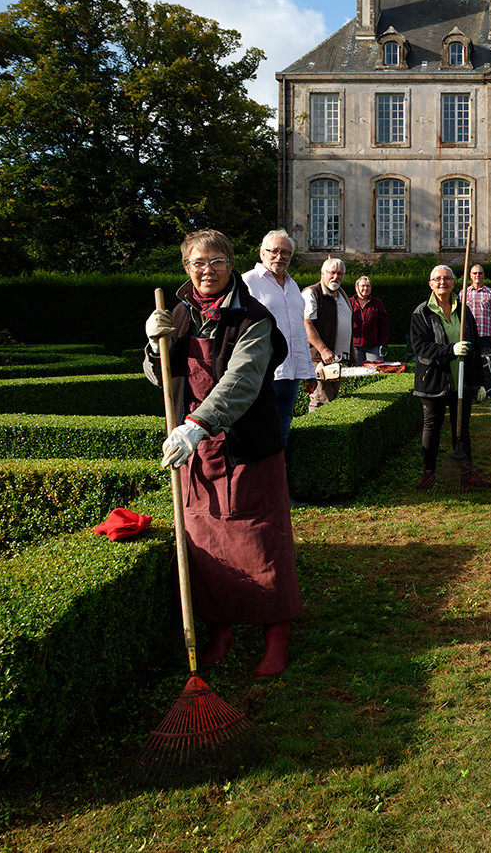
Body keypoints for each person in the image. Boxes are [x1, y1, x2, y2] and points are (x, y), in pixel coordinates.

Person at [144, 229, 300, 679]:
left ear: (232, 266)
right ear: (186, 268)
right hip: (199, 453)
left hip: (248, 446)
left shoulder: (253, 318)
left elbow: (243, 381)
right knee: (205, 542)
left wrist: (196, 426)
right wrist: (153, 350)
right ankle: (221, 631)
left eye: (215, 262)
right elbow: (162, 377)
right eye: (197, 263)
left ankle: (276, 635)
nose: (206, 270)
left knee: (260, 539)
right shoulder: (176, 313)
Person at [408, 265, 490, 489]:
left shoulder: (464, 311)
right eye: (437, 279)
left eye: (447, 278)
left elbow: (473, 351)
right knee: (432, 427)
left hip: (461, 382)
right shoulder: (422, 313)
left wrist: (480, 383)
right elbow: (421, 349)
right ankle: (428, 473)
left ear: (454, 283)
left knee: (462, 428)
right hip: (433, 380)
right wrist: (451, 350)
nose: (442, 282)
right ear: (430, 284)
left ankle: (467, 472)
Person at [241, 229, 314, 442]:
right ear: (262, 253)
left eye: (285, 252)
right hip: (264, 373)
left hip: (290, 374)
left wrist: (308, 370)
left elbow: (299, 332)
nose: (279, 257)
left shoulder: (293, 286)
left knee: (283, 431)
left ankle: (279, 475)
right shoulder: (248, 283)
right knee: (260, 431)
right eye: (274, 251)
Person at [303, 258, 351, 409]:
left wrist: (352, 355)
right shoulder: (312, 293)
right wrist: (323, 351)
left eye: (340, 273)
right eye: (332, 273)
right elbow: (306, 324)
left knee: (333, 402)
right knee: (320, 401)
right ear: (323, 273)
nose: (336, 277)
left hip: (338, 360)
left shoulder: (342, 295)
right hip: (320, 361)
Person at [460, 262, 491, 400]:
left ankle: (488, 391)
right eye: (475, 273)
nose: (477, 275)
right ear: (470, 275)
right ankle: (471, 391)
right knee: (469, 364)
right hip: (469, 335)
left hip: (485, 335)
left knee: (487, 365)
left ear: (484, 275)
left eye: (480, 273)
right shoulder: (463, 293)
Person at [349, 275, 389, 362]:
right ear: (356, 288)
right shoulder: (349, 302)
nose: (365, 288)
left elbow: (384, 326)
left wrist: (384, 344)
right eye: (362, 286)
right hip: (354, 346)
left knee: (375, 370)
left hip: (373, 346)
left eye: (368, 286)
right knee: (356, 372)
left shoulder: (377, 304)